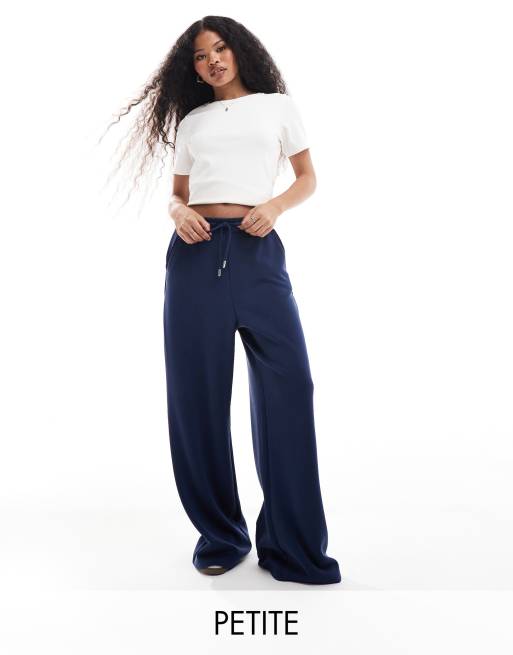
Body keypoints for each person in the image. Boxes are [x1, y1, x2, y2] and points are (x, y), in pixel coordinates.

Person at [109, 15, 341, 585]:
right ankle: (221, 535)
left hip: (258, 252)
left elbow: (307, 177)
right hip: (194, 255)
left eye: (220, 48)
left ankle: (291, 543)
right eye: (199, 55)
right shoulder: (193, 121)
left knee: (290, 386)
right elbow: (177, 194)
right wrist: (178, 213)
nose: (212, 60)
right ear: (191, 68)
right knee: (197, 396)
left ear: (239, 51)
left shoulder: (277, 107)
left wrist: (276, 206)